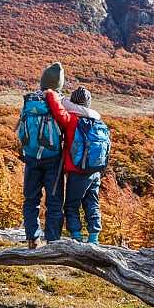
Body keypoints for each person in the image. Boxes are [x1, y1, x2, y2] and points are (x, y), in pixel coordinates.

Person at [45, 85, 103, 244]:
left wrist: (50, 93)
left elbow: (57, 111)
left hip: (77, 172)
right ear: (88, 103)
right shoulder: (97, 120)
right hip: (95, 171)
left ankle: (76, 238)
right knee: (92, 203)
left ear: (73, 101)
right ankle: (94, 238)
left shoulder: (72, 119)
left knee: (71, 205)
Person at [21, 62, 66, 249]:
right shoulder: (58, 101)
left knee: (31, 199)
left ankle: (33, 238)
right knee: (54, 201)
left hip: (31, 156)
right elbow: (65, 126)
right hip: (53, 158)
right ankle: (53, 243)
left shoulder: (30, 100)